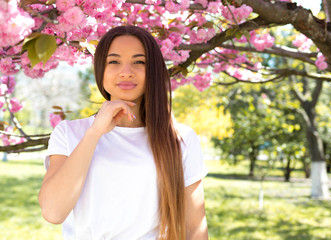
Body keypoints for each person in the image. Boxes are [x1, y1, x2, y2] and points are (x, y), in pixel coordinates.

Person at [38, 25, 209, 240]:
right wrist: (95, 132)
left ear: (153, 70)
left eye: (139, 62)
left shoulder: (181, 138)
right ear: (101, 70)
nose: (126, 71)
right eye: (114, 62)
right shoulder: (69, 132)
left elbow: (195, 229)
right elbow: (53, 212)